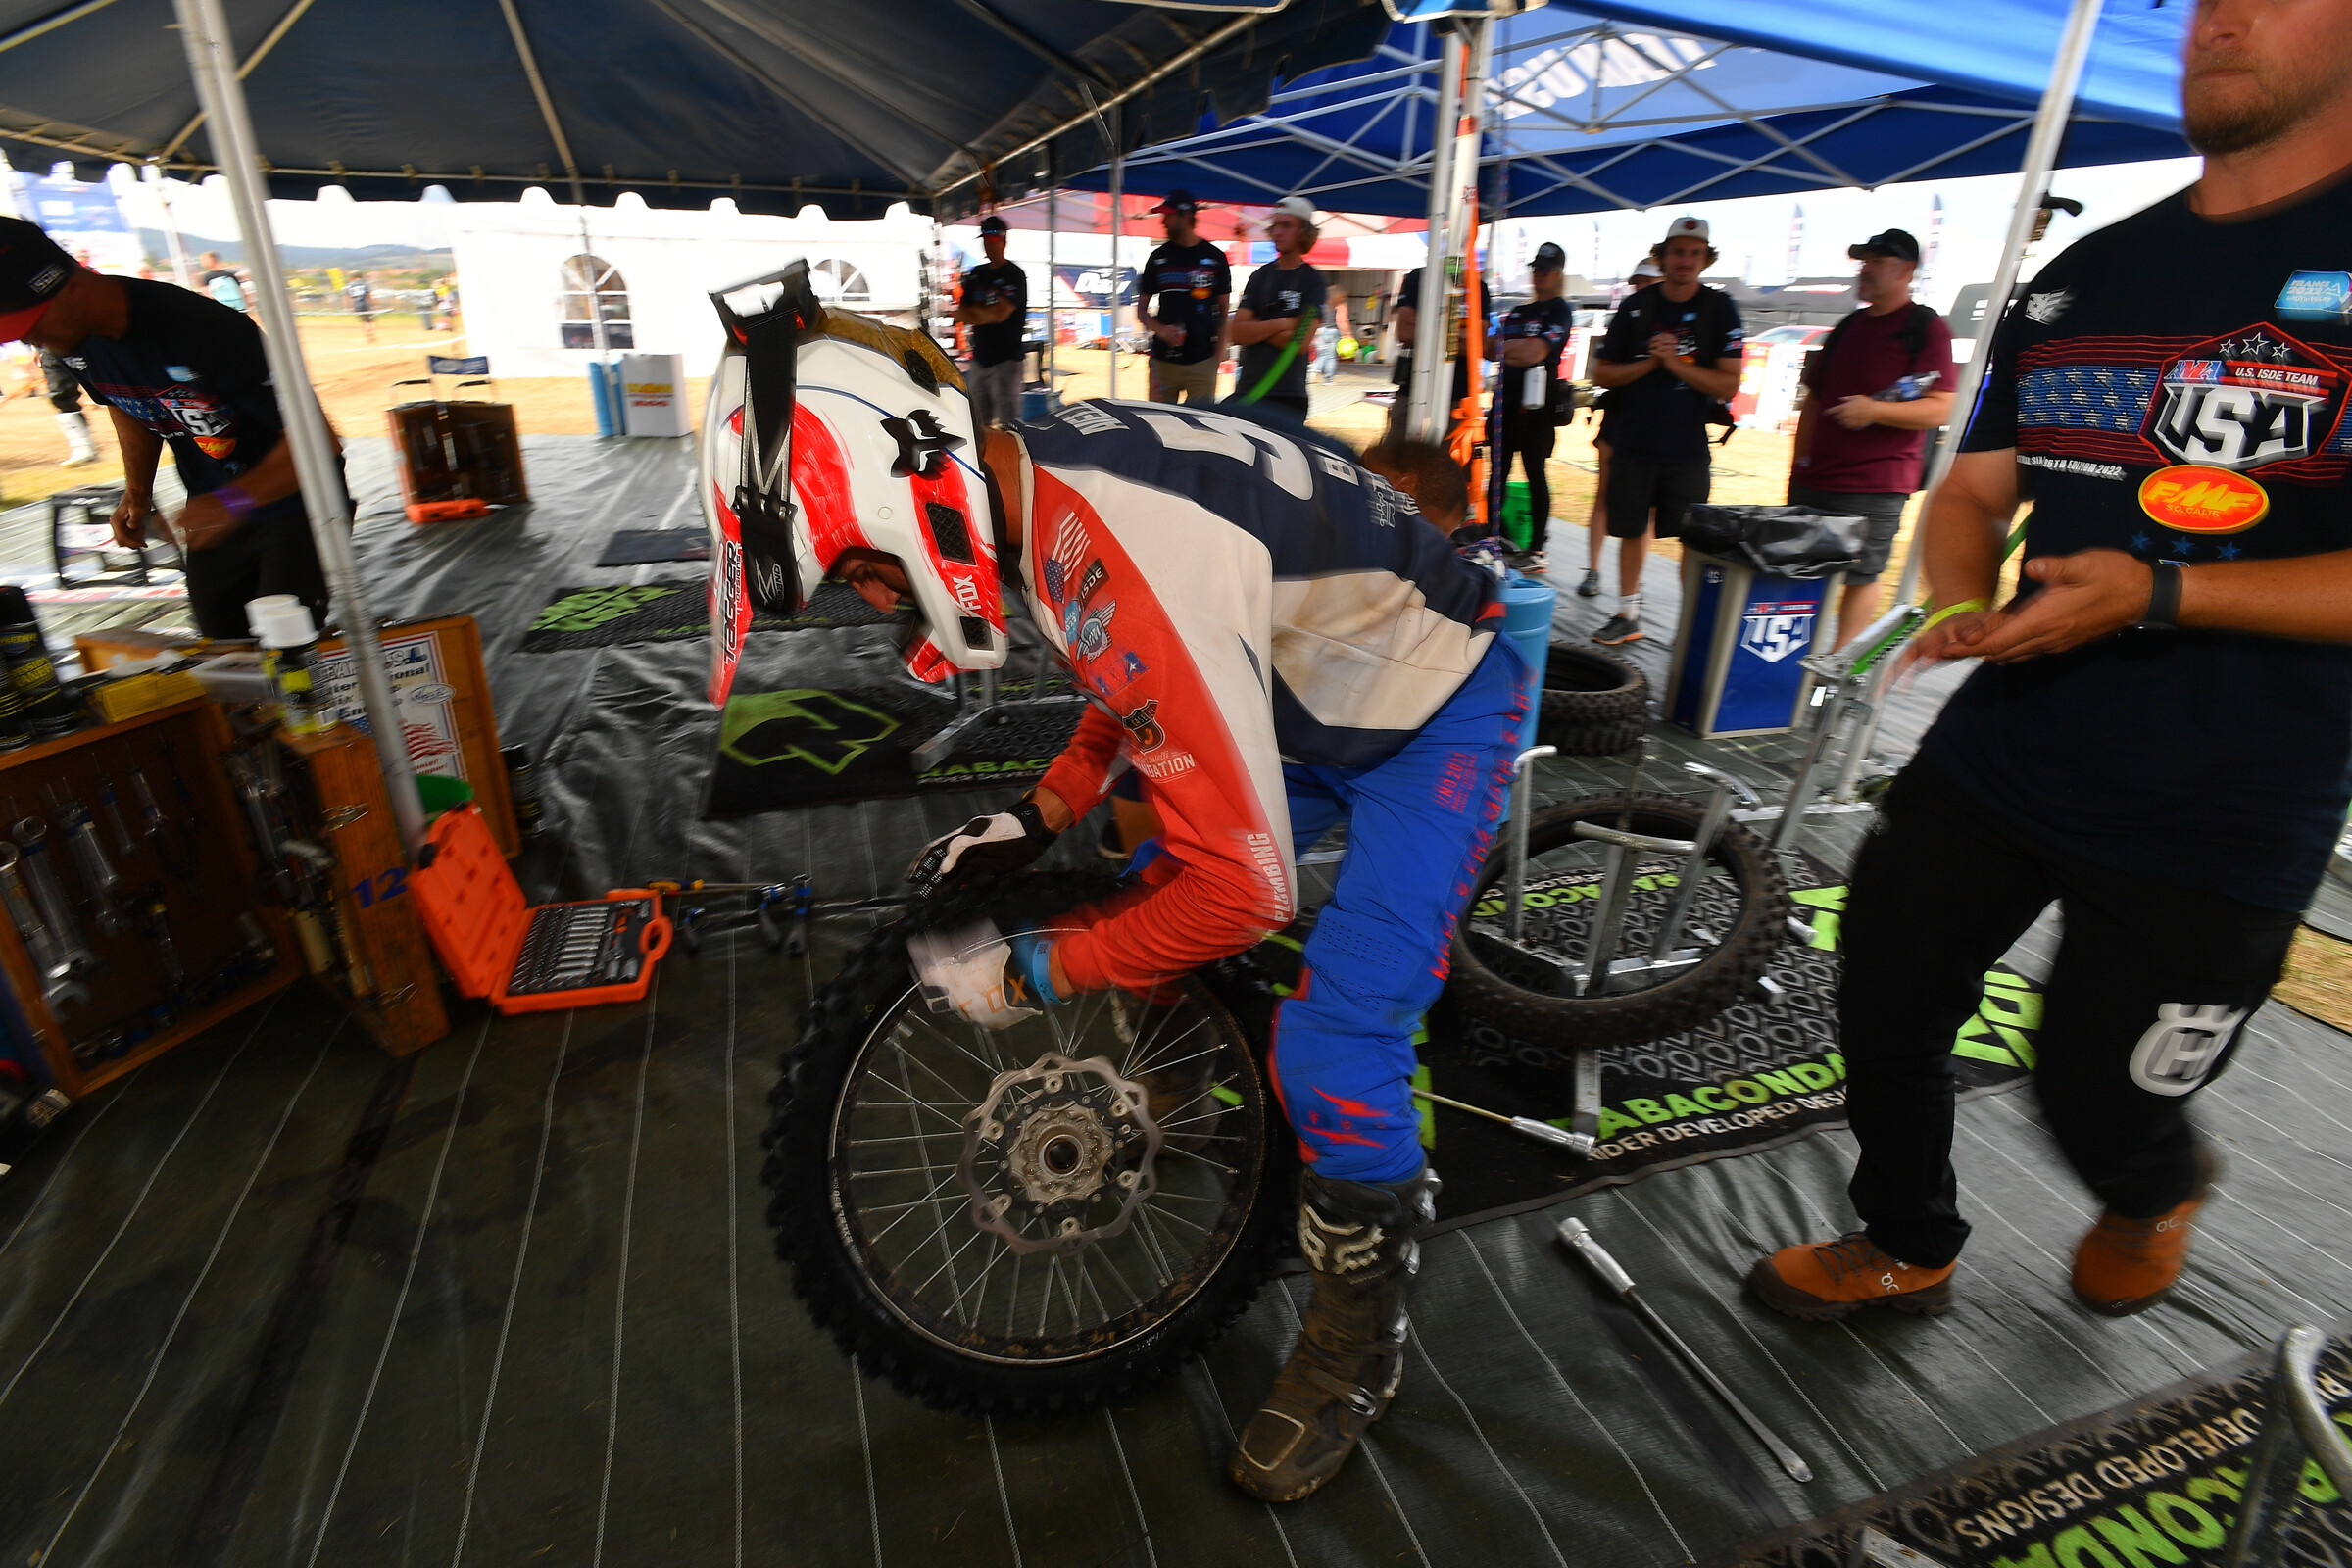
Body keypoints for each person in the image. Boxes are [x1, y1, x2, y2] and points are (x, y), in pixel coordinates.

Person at [727, 300, 1522, 1501]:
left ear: (901, 494)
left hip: (1438, 700)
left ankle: (1360, 1346)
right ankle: (1185, 1077)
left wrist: (1033, 974)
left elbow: (1244, 891)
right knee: (1152, 885)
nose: (888, 604)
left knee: (1332, 1044)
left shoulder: (1111, 540)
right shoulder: (1032, 473)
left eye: (867, 573)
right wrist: (1043, 811)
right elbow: (1140, 668)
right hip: (1308, 674)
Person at [1747, 0, 2352, 1325]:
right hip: (2015, 739)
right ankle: (1908, 1240)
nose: (2223, 17)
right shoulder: (2094, 270)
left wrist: (2166, 593)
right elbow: (1968, 493)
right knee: (1887, 996)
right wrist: (1961, 605)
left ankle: (2154, 1184)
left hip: (2230, 801)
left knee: (2096, 1092)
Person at [0, 219, 338, 638]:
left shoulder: (204, 329)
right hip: (212, 504)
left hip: (294, 499)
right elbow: (123, 400)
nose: (30, 339)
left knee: (288, 641)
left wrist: (231, 503)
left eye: (31, 322)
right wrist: (137, 493)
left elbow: (318, 442)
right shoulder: (75, 340)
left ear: (72, 285)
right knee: (223, 641)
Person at [1787, 228, 1956, 647]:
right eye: (1864, 261)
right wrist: (1799, 461)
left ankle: (1835, 676)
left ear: (1907, 270)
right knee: (1799, 576)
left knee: (1861, 577)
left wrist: (1874, 410)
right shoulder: (1847, 326)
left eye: (1877, 261)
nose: (1866, 270)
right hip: (1815, 478)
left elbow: (1943, 406)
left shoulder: (1926, 327)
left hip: (1875, 484)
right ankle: (1790, 670)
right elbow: (1815, 397)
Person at [1586, 216, 1743, 645]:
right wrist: (1650, 365)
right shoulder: (1637, 306)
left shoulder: (1719, 307)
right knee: (1631, 531)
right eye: (1677, 251)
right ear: (1663, 256)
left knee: (1692, 539)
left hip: (1687, 449)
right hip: (1634, 442)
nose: (1685, 260)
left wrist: (1676, 364)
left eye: (1694, 253)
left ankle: (1693, 623)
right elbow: (1602, 372)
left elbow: (1729, 383)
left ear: (1705, 260)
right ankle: (1627, 612)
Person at [1486, 240, 1575, 573]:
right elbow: (1489, 348)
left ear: (1558, 274)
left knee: (1535, 473)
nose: (1540, 275)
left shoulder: (1561, 310)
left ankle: (1537, 549)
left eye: (1547, 270)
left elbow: (1532, 353)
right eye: (1536, 269)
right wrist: (1512, 347)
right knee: (1498, 473)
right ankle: (1497, 537)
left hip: (1538, 407)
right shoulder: (1519, 312)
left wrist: (1510, 348)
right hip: (1505, 402)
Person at [1578, 253, 1662, 599]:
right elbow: (1604, 371)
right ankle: (1594, 570)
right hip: (1621, 418)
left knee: (1649, 506)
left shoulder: (1679, 320)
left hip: (1657, 425)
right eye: (1637, 283)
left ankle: (1634, 579)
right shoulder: (1627, 318)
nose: (1640, 289)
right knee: (1605, 494)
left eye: (1647, 282)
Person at [1229, 196, 1326, 417]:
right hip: (1249, 390)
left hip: (1288, 396)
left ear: (1304, 232)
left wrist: (1257, 327)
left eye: (1287, 226)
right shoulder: (1260, 276)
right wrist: (1282, 323)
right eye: (1276, 225)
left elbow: (1300, 343)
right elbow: (1236, 333)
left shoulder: (1313, 280)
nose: (1278, 232)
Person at [1135, 189, 1230, 406]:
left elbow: (1224, 311)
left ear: (1185, 217)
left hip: (1203, 361)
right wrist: (1161, 329)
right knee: (1160, 425)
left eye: (1168, 215)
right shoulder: (1158, 257)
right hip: (1164, 363)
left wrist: (1218, 356)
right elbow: (1141, 310)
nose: (1163, 222)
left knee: (1200, 428)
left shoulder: (1215, 257)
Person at [956, 214, 1027, 429]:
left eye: (993, 239)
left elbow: (1001, 314)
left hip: (1006, 360)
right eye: (985, 240)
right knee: (977, 424)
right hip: (980, 359)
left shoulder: (1014, 275)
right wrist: (987, 313)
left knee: (1010, 426)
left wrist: (978, 313)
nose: (989, 244)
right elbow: (961, 314)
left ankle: (1014, 462)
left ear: (1004, 241)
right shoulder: (976, 274)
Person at [40, 350, 96, 466]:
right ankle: (82, 445)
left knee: (111, 387)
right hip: (50, 348)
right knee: (60, 393)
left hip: (89, 341)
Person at [345, 270, 375, 343]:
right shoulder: (364, 284)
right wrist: (374, 304)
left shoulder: (349, 285)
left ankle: (367, 334)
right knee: (371, 321)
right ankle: (371, 334)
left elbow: (348, 297)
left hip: (357, 305)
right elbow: (369, 296)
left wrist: (349, 307)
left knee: (363, 321)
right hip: (365, 304)